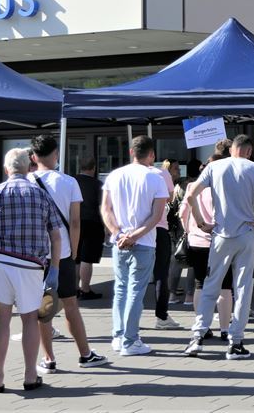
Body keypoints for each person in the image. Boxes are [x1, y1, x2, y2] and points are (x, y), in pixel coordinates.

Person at [183, 135, 254, 360]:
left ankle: (197, 338)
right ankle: (235, 342)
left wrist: (199, 222)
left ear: (232, 150)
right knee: (243, 288)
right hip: (246, 233)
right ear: (248, 151)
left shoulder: (214, 167)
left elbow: (190, 194)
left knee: (210, 286)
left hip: (220, 235)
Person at [0, 148, 62, 392]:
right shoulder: (41, 195)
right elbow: (56, 235)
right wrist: (54, 267)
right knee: (30, 320)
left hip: (1, 262)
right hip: (32, 265)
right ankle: (30, 376)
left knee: (1, 319)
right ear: (29, 168)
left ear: (6, 169)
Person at [29, 135, 108, 372]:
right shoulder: (69, 182)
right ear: (56, 154)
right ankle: (85, 354)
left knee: (42, 308)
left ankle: (48, 358)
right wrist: (73, 251)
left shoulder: (27, 181)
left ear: (33, 157)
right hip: (61, 254)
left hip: (34, 255)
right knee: (70, 305)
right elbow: (75, 222)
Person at [101, 135, 169, 356]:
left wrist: (118, 233)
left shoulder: (114, 175)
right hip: (144, 241)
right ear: (152, 155)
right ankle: (130, 339)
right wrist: (135, 235)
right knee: (134, 292)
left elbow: (106, 209)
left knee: (120, 289)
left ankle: (119, 336)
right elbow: (157, 215)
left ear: (131, 152)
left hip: (119, 241)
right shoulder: (156, 177)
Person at [179, 154, 233, 342]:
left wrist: (191, 230)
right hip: (220, 241)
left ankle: (202, 326)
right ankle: (225, 329)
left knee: (200, 284)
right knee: (225, 286)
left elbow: (182, 214)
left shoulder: (192, 187)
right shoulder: (224, 187)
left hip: (197, 242)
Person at [149, 158, 183, 329]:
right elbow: (170, 197)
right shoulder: (161, 173)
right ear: (151, 155)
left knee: (132, 277)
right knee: (161, 272)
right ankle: (161, 316)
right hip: (159, 227)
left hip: (133, 231)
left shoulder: (120, 174)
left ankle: (127, 318)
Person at [168, 158, 201, 305]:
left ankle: (172, 294)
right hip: (194, 225)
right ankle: (189, 295)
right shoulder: (200, 186)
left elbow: (173, 205)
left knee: (176, 260)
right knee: (193, 262)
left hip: (179, 228)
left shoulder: (179, 185)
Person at [75, 155, 105, 300]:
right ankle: (85, 289)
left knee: (76, 257)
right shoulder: (97, 184)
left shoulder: (71, 181)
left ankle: (73, 288)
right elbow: (102, 207)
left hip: (73, 221)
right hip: (93, 222)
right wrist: (107, 227)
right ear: (93, 168)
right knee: (87, 258)